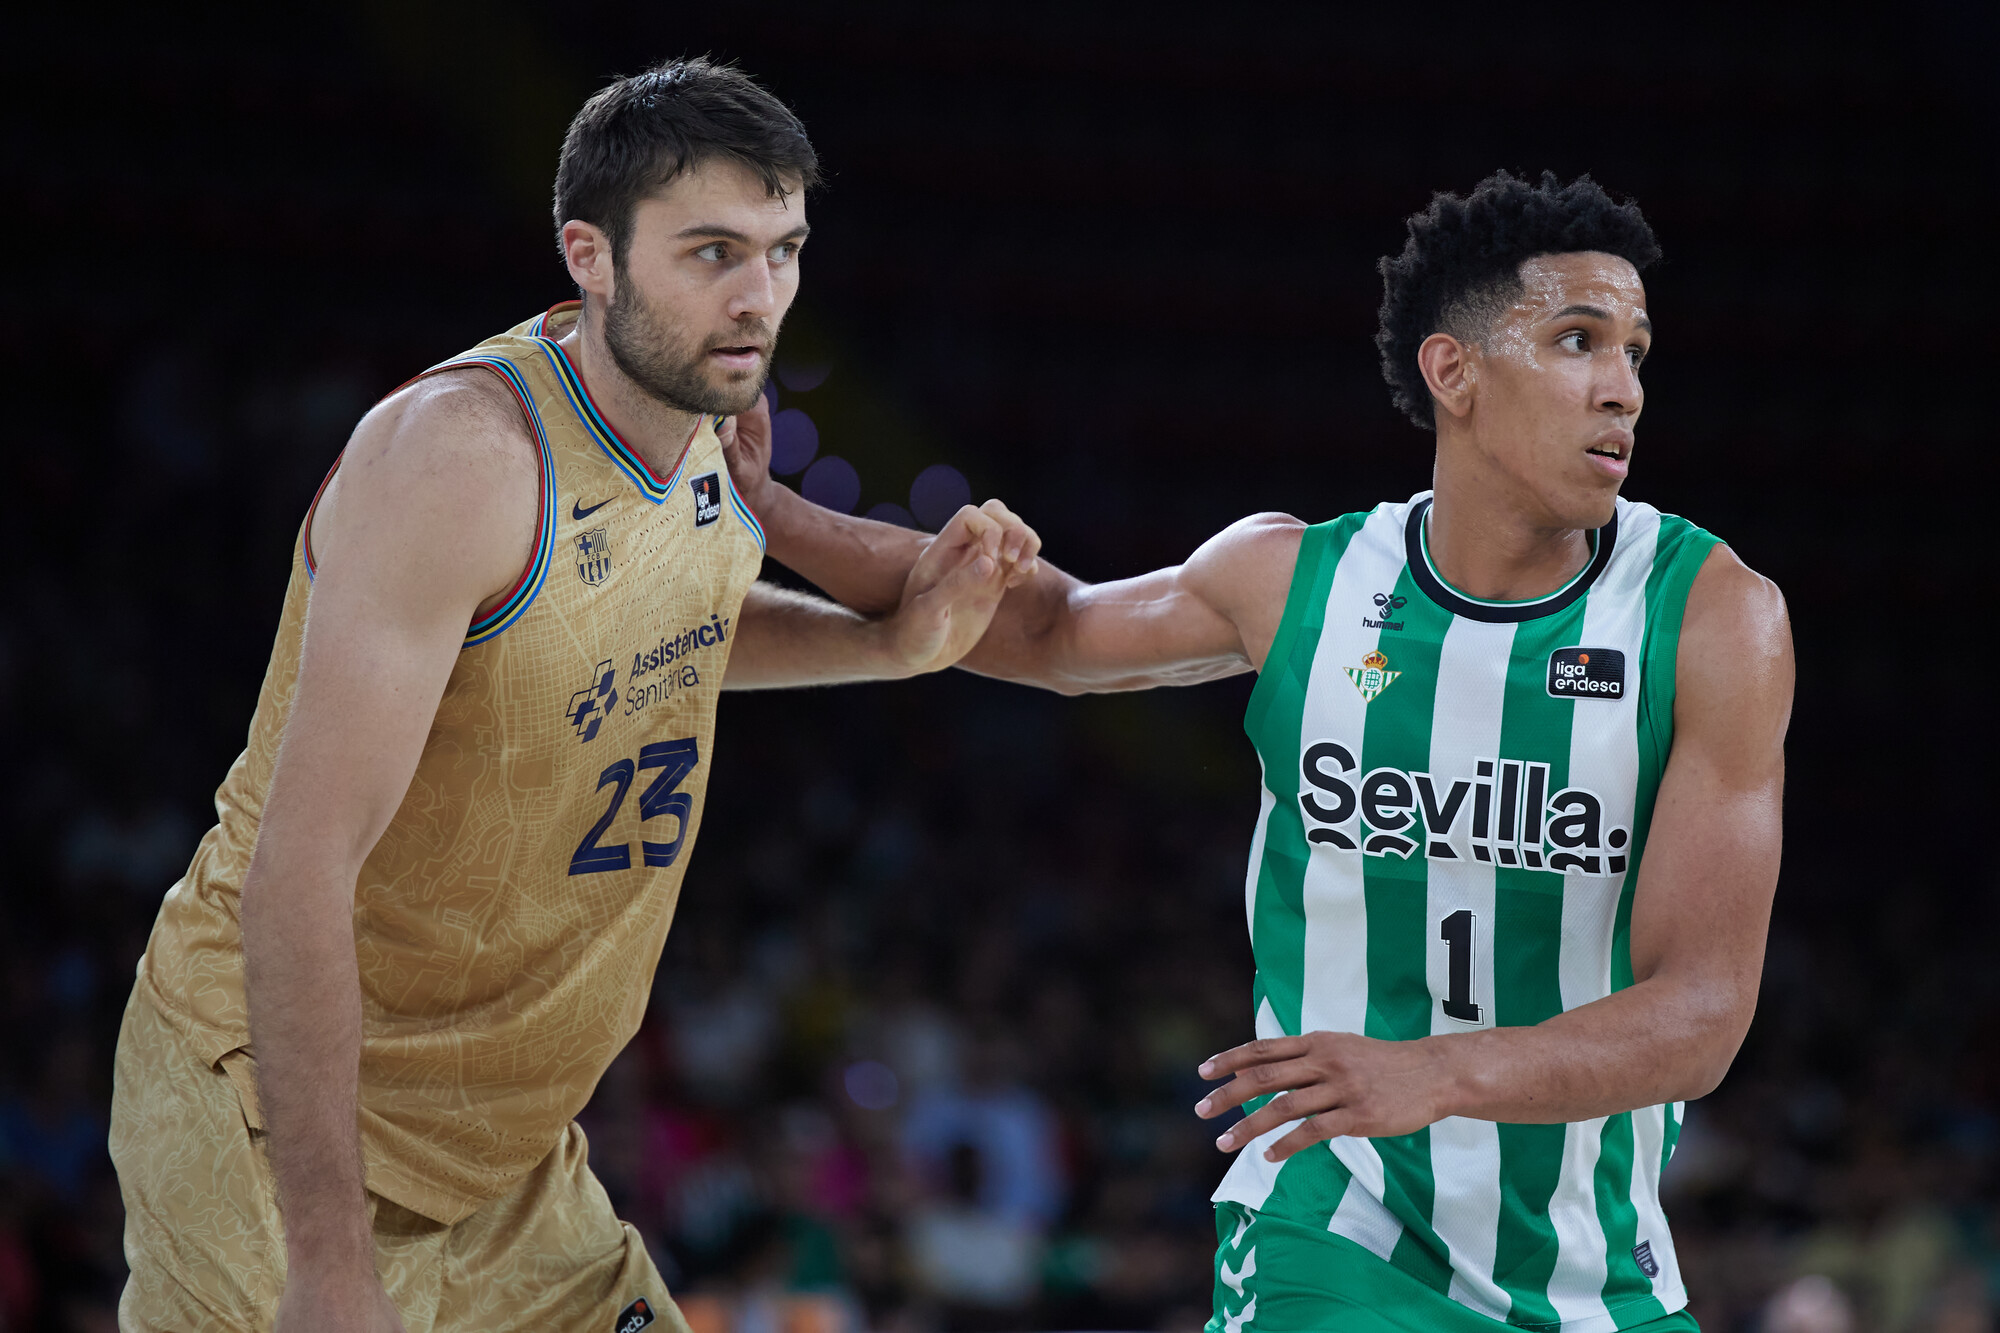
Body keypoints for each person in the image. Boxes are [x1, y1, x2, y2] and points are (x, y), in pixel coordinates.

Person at [730, 171, 1794, 1331]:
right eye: (1576, 341)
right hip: (1328, 1236)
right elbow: (1045, 625)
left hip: (1602, 1277)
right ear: (1453, 373)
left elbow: (1701, 1011)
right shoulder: (1295, 580)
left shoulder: (1710, 618)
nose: (1620, 387)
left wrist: (1435, 1071)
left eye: (1634, 352)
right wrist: (776, 514)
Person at [110, 58, 1039, 1333]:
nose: (758, 297)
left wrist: (885, 648)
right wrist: (325, 1263)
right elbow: (296, 871)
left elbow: (656, 624)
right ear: (589, 256)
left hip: (502, 1161)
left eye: (782, 251)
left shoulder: (701, 424)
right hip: (276, 1131)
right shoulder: (460, 461)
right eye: (711, 252)